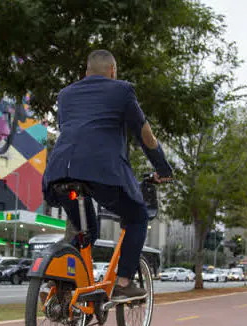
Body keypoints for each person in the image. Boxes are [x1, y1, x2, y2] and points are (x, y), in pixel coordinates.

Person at [42, 50, 173, 301]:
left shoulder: (65, 94)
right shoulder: (122, 91)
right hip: (101, 170)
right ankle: (123, 282)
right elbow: (146, 136)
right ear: (113, 71)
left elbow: (73, 130)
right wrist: (163, 169)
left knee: (87, 231)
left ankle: (63, 283)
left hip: (59, 170)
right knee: (137, 217)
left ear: (86, 71)